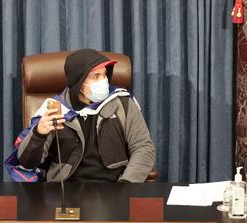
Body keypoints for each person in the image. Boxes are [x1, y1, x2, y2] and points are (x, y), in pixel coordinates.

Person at [12, 48, 156, 183]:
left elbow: (143, 148)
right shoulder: (55, 109)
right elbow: (28, 163)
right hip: (65, 191)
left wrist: (127, 184)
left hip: (115, 186)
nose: (103, 81)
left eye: (105, 74)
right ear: (78, 81)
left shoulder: (123, 103)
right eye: (96, 76)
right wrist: (39, 134)